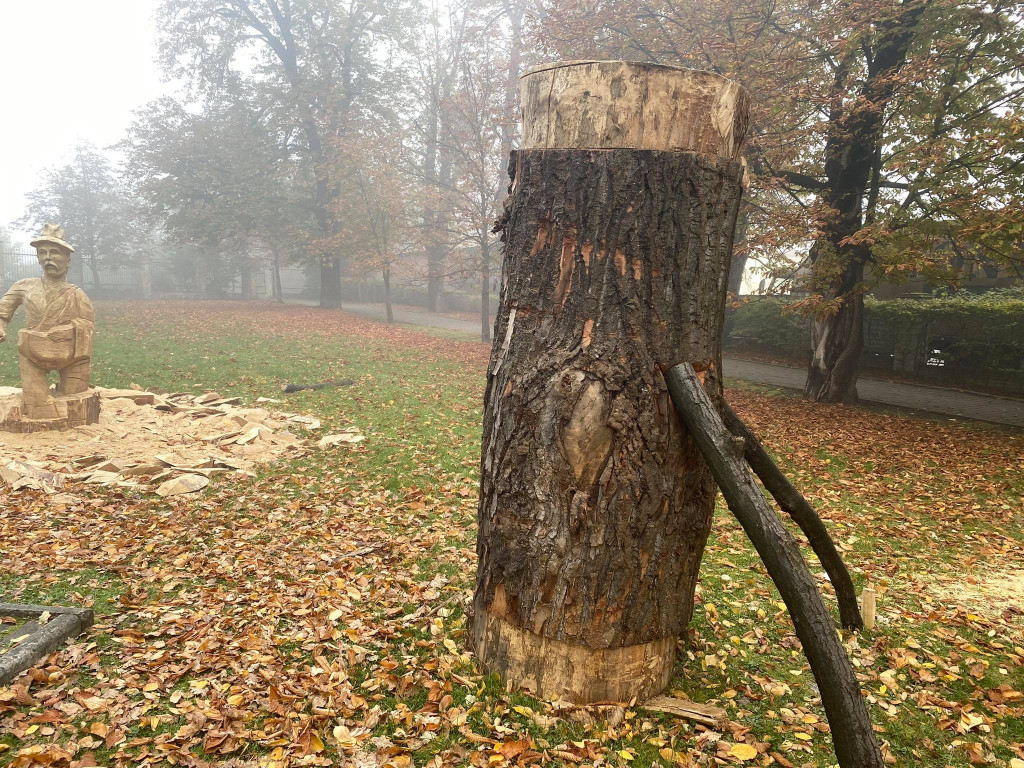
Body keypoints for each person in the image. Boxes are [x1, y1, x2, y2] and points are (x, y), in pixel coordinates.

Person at [0, 224, 95, 418]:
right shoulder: (24, 287)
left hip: (72, 357)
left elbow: (88, 327)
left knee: (76, 399)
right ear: (38, 258)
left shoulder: (77, 294)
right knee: (38, 408)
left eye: (55, 252)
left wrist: (68, 332)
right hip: (32, 352)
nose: (48, 257)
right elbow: (3, 311)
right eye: (42, 252)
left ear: (68, 260)